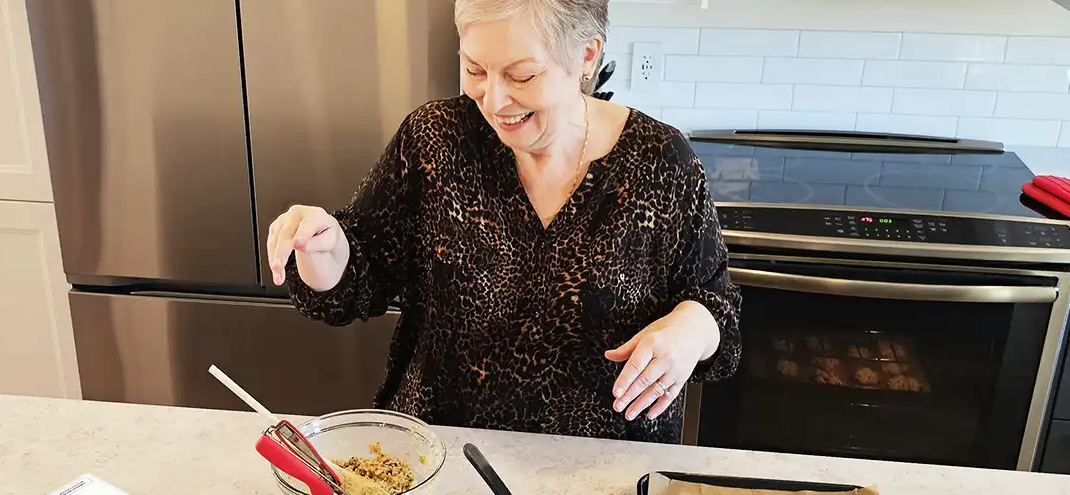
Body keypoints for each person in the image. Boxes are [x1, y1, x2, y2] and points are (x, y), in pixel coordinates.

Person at [266, 0, 741, 444]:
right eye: (474, 69)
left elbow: (717, 306)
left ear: (586, 57)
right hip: (443, 465)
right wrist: (326, 249)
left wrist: (691, 330)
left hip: (604, 475)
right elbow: (356, 280)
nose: (493, 101)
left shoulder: (659, 160)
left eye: (521, 76)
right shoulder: (435, 140)